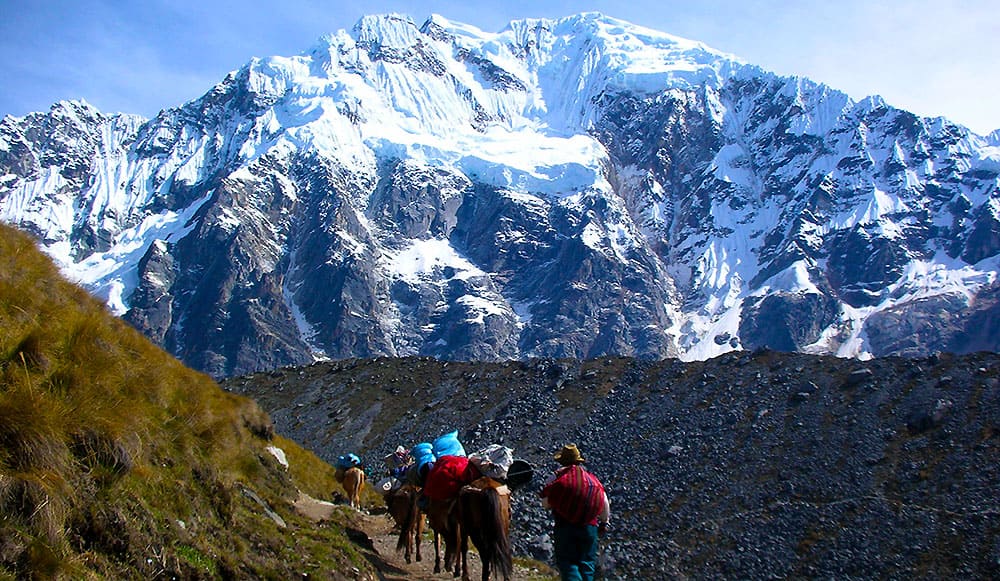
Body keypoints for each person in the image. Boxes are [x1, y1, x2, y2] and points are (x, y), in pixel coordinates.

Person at [540, 444, 610, 581]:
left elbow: (546, 504)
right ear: (578, 461)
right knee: (587, 564)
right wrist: (604, 522)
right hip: (590, 527)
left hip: (566, 527)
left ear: (561, 462)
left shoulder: (557, 478)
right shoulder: (592, 479)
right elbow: (604, 501)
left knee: (568, 563)